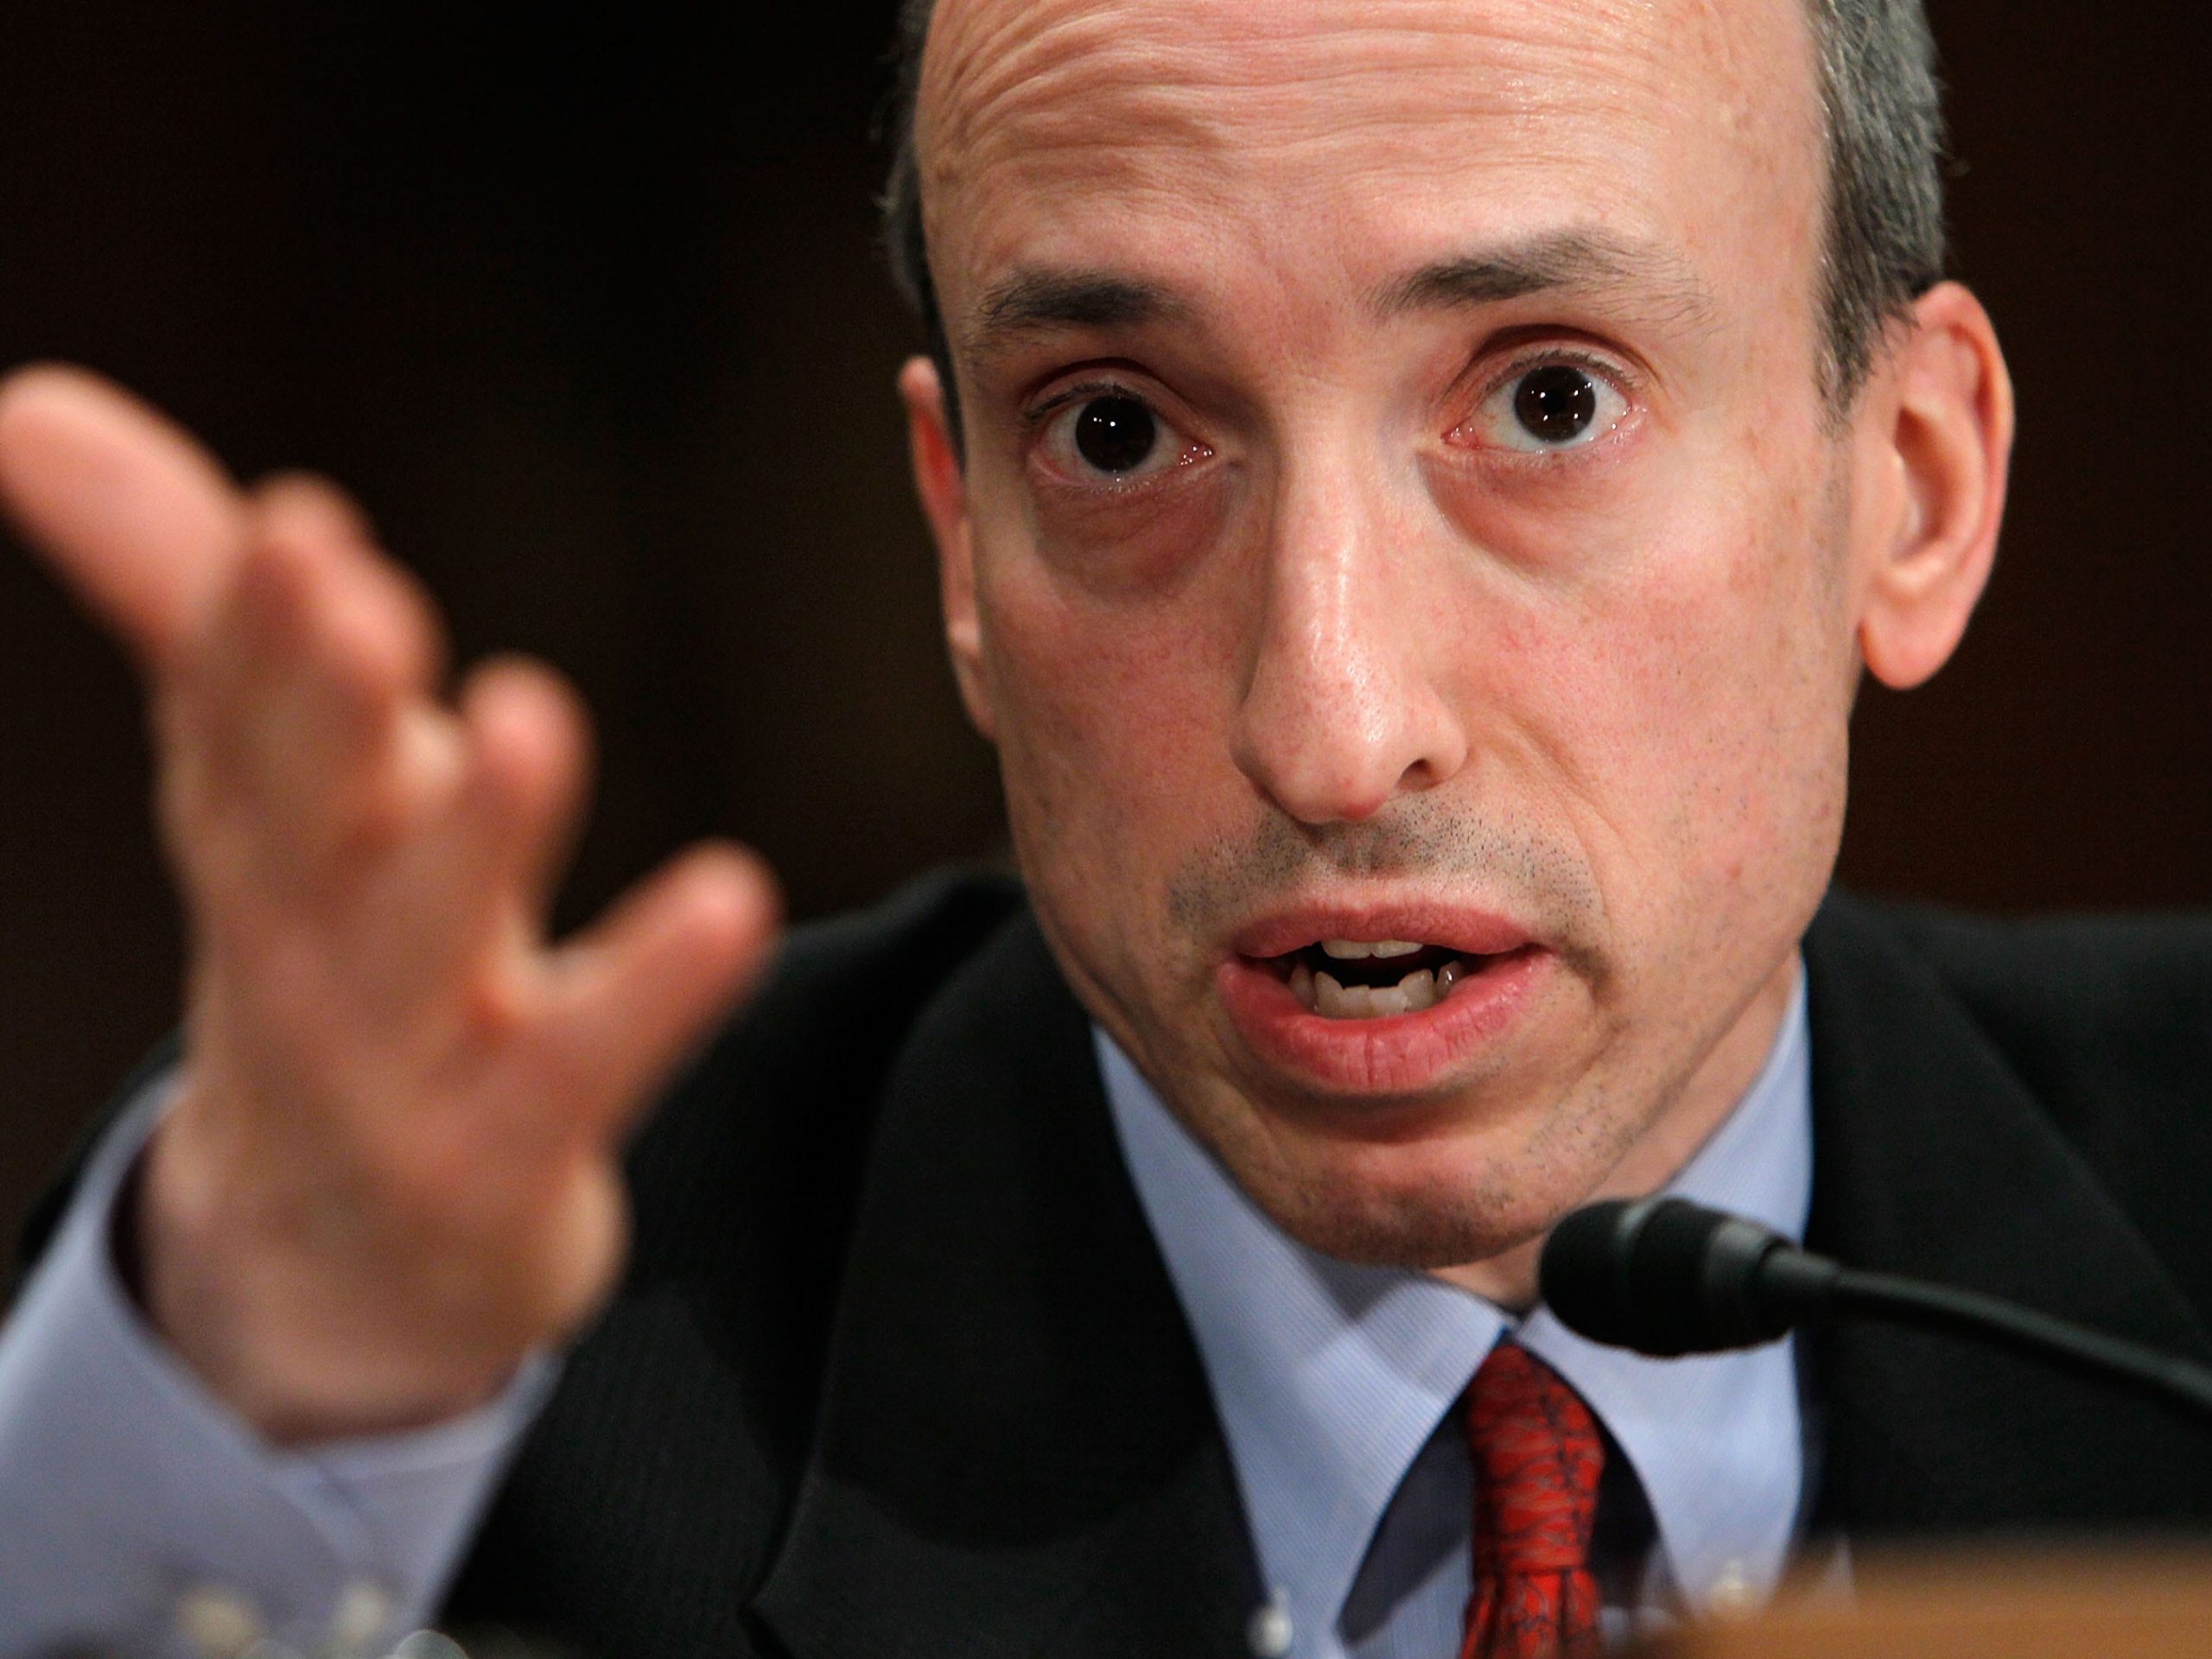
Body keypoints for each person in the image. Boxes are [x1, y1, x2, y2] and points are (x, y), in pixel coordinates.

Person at [3, 0, 2209, 1655]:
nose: (1330, 731)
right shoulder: (487, 1399)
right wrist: (251, 1421)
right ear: (960, 547)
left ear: (1907, 488)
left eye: (1544, 399)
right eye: (1121, 432)